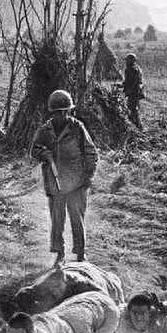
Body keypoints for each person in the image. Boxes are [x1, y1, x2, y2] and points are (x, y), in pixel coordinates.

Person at [30, 90, 99, 267]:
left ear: (69, 111)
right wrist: (44, 154)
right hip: (55, 183)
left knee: (77, 219)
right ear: (52, 112)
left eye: (64, 111)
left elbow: (91, 153)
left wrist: (88, 177)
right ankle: (59, 254)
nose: (61, 115)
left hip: (77, 182)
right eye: (57, 112)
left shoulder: (77, 128)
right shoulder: (45, 130)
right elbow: (34, 150)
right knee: (57, 220)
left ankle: (81, 253)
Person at [121, 53, 144, 129]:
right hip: (136, 91)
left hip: (134, 92)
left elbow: (133, 82)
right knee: (133, 109)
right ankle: (137, 126)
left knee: (132, 109)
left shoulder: (131, 69)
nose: (126, 62)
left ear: (131, 61)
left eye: (127, 60)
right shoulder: (137, 68)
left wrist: (128, 90)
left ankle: (138, 127)